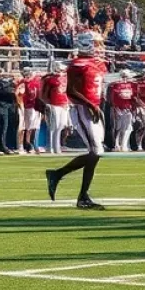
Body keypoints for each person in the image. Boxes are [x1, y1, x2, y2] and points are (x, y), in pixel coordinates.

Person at [45, 31, 107, 210]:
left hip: (92, 108)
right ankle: (76, 192)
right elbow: (71, 91)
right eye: (96, 43)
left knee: (96, 154)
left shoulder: (97, 64)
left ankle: (65, 181)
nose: (99, 47)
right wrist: (90, 105)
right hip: (82, 109)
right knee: (96, 151)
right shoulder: (77, 65)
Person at [42, 64, 71, 155]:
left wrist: (68, 102)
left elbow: (69, 92)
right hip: (54, 104)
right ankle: (51, 147)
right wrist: (47, 103)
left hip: (64, 104)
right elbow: (44, 93)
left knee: (61, 125)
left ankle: (56, 146)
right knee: (54, 126)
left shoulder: (67, 79)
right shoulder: (51, 79)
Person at [109, 69, 136, 151]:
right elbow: (113, 97)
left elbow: (133, 97)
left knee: (128, 127)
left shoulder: (131, 85)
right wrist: (115, 108)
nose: (125, 78)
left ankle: (124, 144)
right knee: (119, 127)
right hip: (119, 108)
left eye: (126, 77)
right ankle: (117, 144)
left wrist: (133, 108)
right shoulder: (116, 85)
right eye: (124, 76)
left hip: (128, 108)